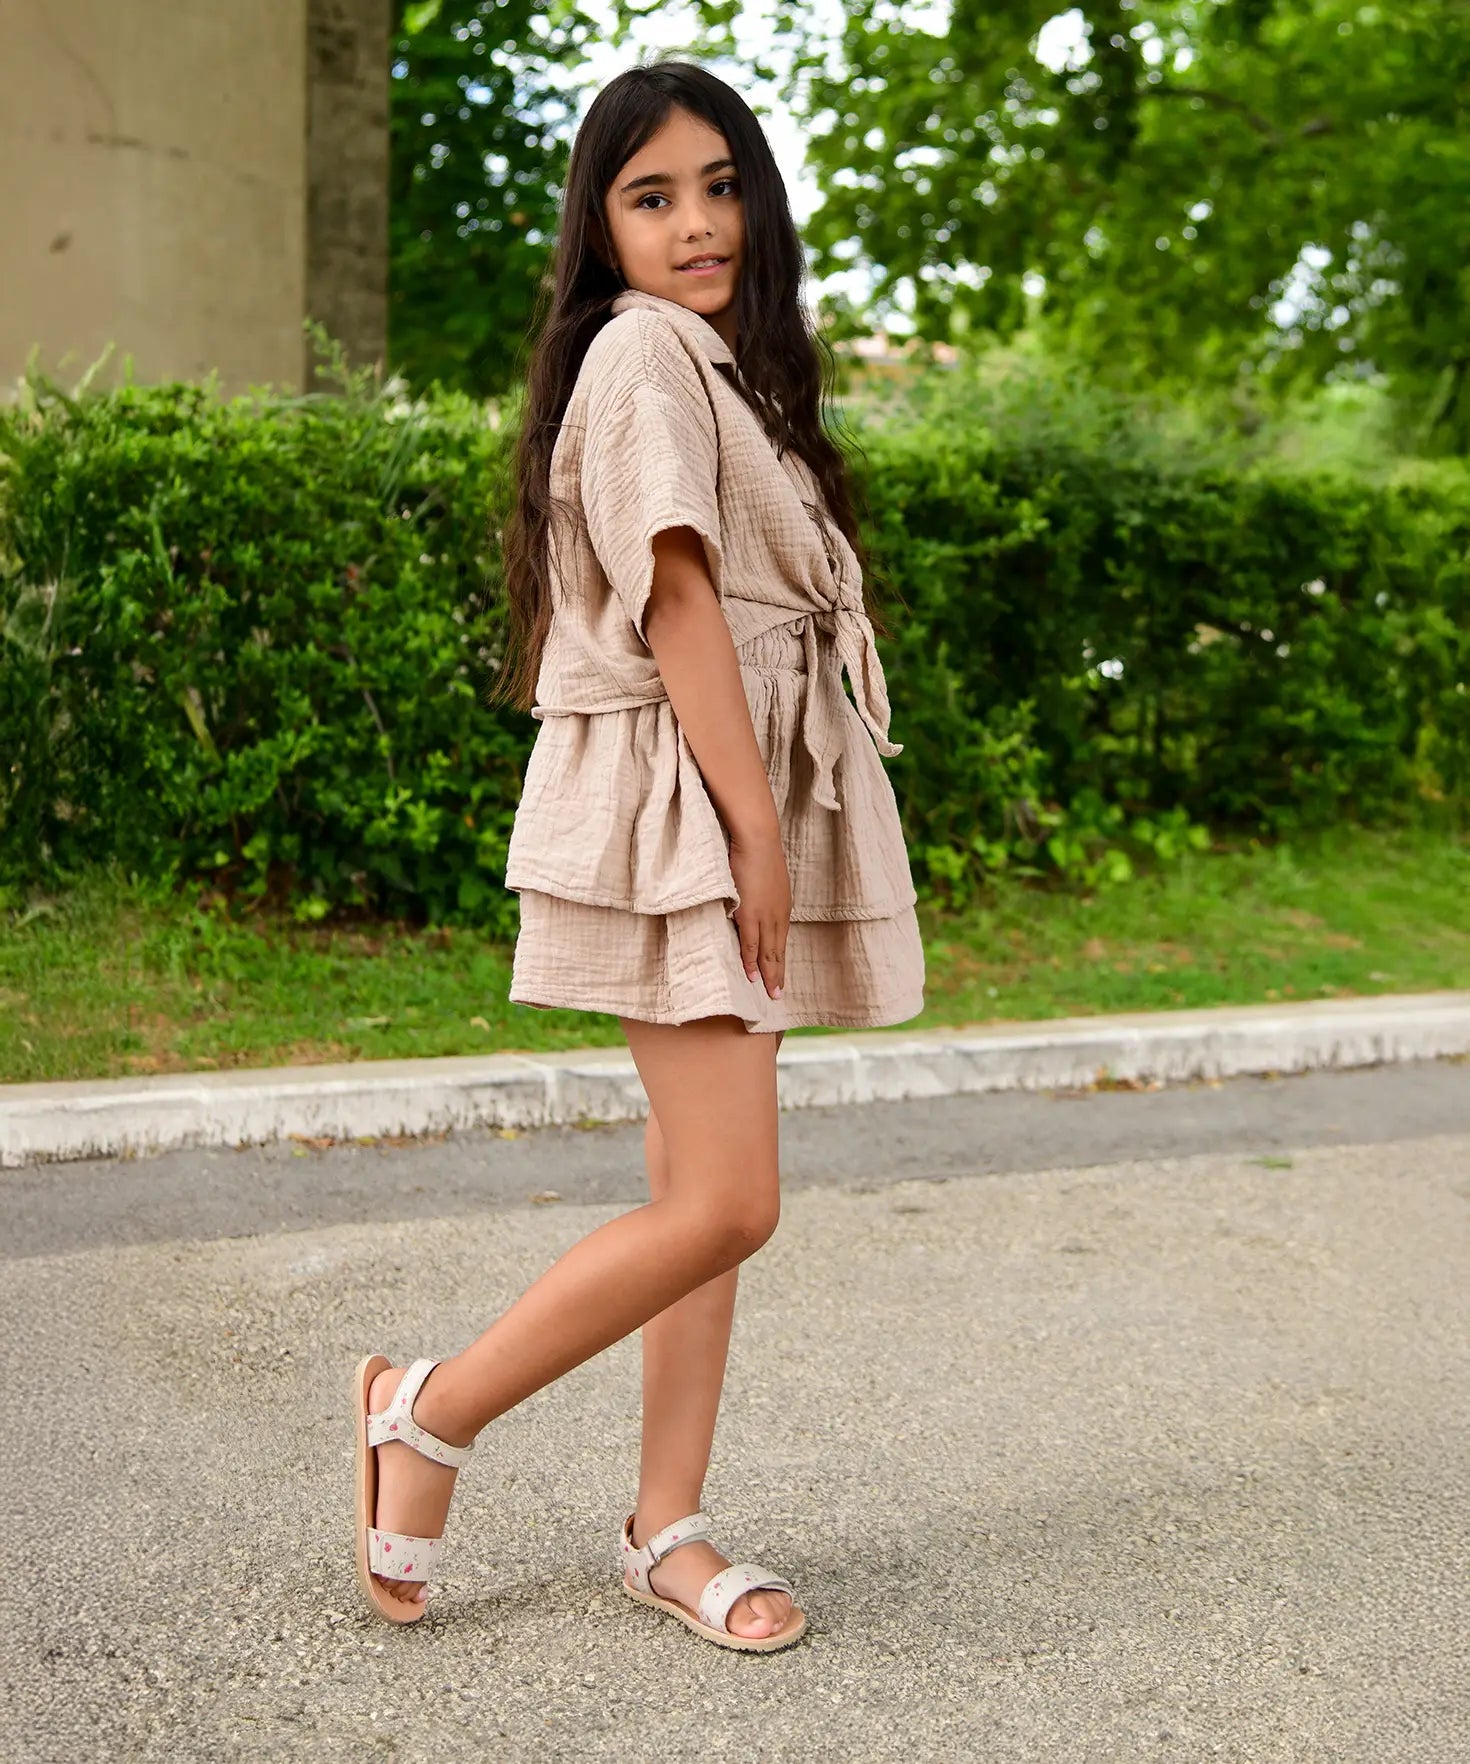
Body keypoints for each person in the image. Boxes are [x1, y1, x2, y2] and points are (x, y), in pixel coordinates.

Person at [353, 58, 925, 1655]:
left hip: (714, 785)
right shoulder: (648, 353)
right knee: (733, 1199)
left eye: (720, 185)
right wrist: (754, 829)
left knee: (698, 1185)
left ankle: (666, 1528)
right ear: (599, 229)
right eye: (651, 195)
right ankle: (427, 1407)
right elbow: (676, 599)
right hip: (683, 804)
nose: (696, 224)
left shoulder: (727, 374)